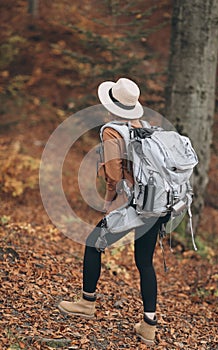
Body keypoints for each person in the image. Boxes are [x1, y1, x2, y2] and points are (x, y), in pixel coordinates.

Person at [58, 78, 170, 345]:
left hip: (130, 205)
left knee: (92, 243)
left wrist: (109, 203)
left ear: (111, 105)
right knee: (144, 262)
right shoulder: (142, 127)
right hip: (155, 204)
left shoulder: (112, 132)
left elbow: (113, 174)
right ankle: (148, 325)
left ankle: (86, 303)